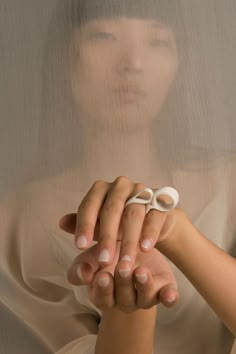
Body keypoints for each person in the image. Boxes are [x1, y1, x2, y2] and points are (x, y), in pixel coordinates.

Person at [0, 1, 236, 354]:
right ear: (64, 56)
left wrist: (176, 233)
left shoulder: (230, 182)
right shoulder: (15, 219)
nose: (132, 64)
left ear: (179, 63)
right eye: (104, 35)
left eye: (157, 41)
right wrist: (128, 311)